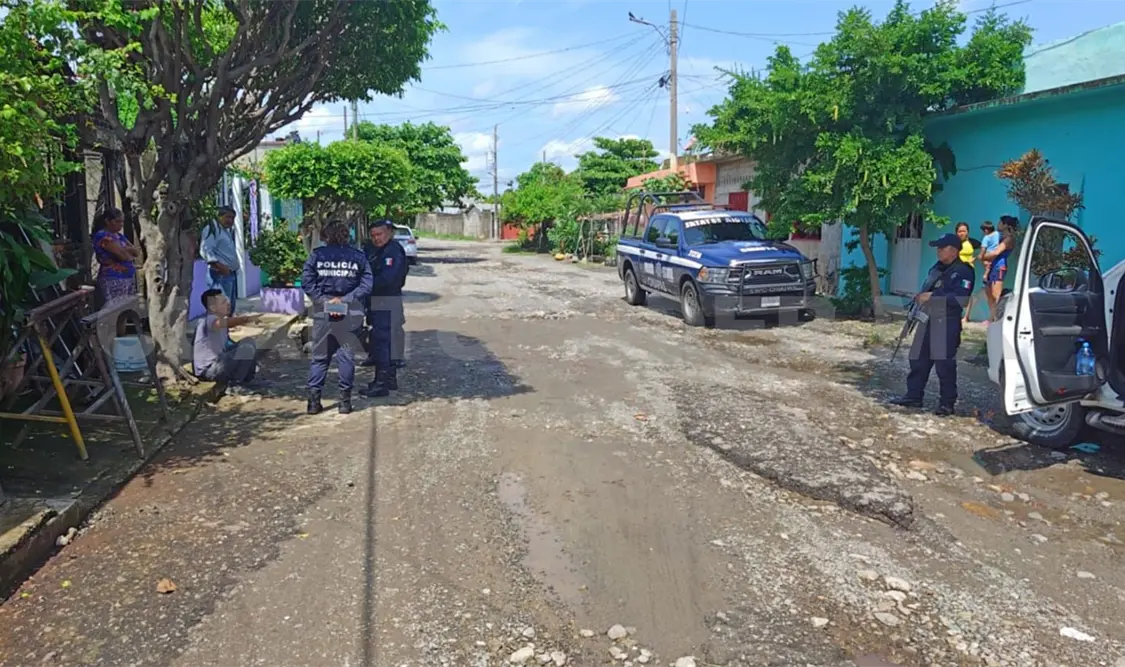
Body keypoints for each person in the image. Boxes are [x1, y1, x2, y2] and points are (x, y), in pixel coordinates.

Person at [889, 233, 976, 416]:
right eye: (938, 248)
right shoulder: (937, 268)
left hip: (946, 322)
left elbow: (961, 299)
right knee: (918, 360)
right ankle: (914, 396)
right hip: (927, 319)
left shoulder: (963, 271)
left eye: (941, 248)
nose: (938, 251)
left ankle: (947, 403)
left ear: (953, 251)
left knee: (944, 365)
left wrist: (933, 296)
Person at [303, 220, 373, 415]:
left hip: (323, 312)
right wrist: (344, 300)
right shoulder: (358, 257)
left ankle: (313, 403)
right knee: (346, 356)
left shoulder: (317, 255)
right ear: (346, 235)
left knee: (319, 358)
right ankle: (344, 403)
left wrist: (326, 301)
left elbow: (307, 282)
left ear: (326, 236)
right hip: (350, 312)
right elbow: (367, 285)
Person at [359, 219, 409, 398]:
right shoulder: (372, 249)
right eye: (373, 235)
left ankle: (381, 384)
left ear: (389, 233)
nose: (376, 238)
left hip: (387, 300)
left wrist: (364, 285)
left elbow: (389, 279)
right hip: (377, 301)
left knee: (383, 343)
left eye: (379, 234)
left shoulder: (393, 251)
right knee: (384, 342)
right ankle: (389, 379)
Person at [192, 288, 264, 391]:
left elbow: (228, 344)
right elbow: (218, 324)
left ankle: (247, 380)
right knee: (246, 348)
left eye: (227, 300)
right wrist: (246, 319)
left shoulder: (221, 320)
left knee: (249, 342)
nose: (228, 304)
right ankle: (234, 385)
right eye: (223, 302)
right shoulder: (208, 319)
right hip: (209, 370)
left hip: (219, 362)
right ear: (212, 307)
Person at [92, 207, 140, 304]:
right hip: (113, 278)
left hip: (127, 277)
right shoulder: (103, 236)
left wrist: (124, 249)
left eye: (122, 222)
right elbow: (124, 256)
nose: (121, 224)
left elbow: (136, 252)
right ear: (107, 221)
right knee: (116, 307)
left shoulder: (119, 236)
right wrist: (127, 250)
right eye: (118, 221)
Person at [201, 206, 241, 314]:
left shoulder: (224, 230)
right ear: (219, 216)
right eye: (228, 217)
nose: (230, 220)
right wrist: (221, 267)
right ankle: (219, 326)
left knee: (228, 308)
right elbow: (206, 251)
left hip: (229, 274)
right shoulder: (212, 229)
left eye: (232, 218)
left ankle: (226, 325)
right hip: (219, 275)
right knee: (220, 309)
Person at [981, 216, 1018, 322]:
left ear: (1005, 225)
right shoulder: (999, 236)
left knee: (996, 294)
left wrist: (982, 256)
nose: (998, 224)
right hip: (992, 266)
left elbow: (996, 252)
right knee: (988, 292)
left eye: (1000, 222)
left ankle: (995, 318)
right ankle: (993, 317)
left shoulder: (1009, 238)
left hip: (999, 266)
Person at [953, 222, 981, 324]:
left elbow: (984, 248)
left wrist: (976, 258)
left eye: (964, 231)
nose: (962, 233)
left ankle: (966, 316)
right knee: (954, 292)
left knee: (967, 293)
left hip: (968, 273)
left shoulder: (972, 242)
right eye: (959, 231)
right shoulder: (954, 243)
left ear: (967, 232)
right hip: (956, 272)